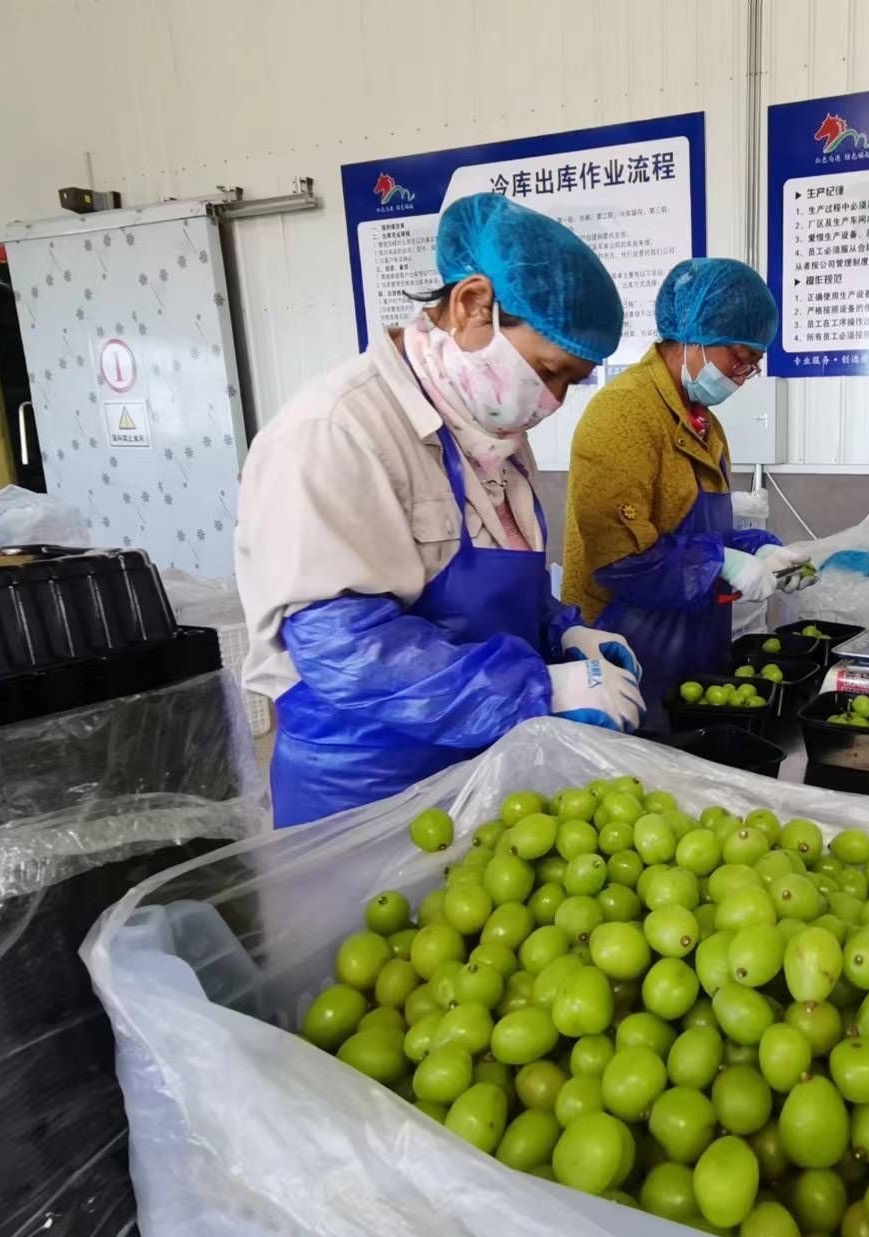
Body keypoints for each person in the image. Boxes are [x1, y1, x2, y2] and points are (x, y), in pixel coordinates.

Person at [236, 195, 645, 827]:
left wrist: (561, 630)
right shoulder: (336, 431)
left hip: (482, 764)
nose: (554, 401)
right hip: (367, 785)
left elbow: (502, 578)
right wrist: (540, 688)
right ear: (472, 305)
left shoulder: (493, 432)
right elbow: (343, 650)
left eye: (572, 382)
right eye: (548, 371)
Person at [562, 258, 808, 710]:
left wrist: (759, 550)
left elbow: (703, 534)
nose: (742, 375)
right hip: (627, 642)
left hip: (692, 636)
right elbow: (621, 560)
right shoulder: (623, 412)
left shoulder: (703, 423)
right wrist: (723, 563)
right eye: (739, 357)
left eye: (752, 365)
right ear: (694, 334)